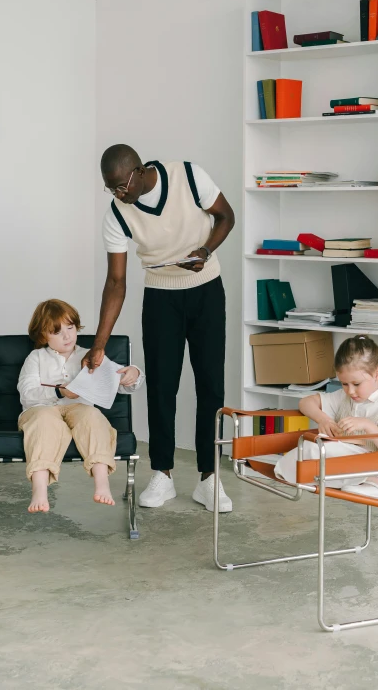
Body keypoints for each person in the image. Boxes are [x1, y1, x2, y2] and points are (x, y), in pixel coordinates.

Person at [82, 145, 235, 512]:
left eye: (120, 186)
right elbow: (115, 282)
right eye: (111, 189)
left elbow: (226, 217)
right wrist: (99, 343)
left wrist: (205, 251)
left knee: (210, 385)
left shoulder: (188, 175)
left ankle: (209, 478)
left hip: (206, 291)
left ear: (137, 171)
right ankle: (163, 475)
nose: (118, 194)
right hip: (161, 297)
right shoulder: (117, 215)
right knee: (162, 387)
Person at [17, 299, 144, 513]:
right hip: (41, 409)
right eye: (57, 332)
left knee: (93, 417)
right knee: (45, 421)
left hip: (79, 410)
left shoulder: (90, 355)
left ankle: (102, 483)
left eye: (70, 327)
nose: (67, 336)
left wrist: (133, 374)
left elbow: (121, 384)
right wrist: (59, 391)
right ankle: (39, 489)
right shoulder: (36, 357)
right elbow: (27, 394)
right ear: (43, 335)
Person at [274, 335, 378, 502]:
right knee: (312, 449)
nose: (350, 391)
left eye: (357, 384)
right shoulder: (344, 398)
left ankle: (377, 486)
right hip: (344, 460)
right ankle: (362, 484)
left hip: (373, 465)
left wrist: (368, 426)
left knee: (314, 451)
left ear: (377, 374)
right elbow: (306, 402)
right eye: (345, 384)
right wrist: (323, 420)